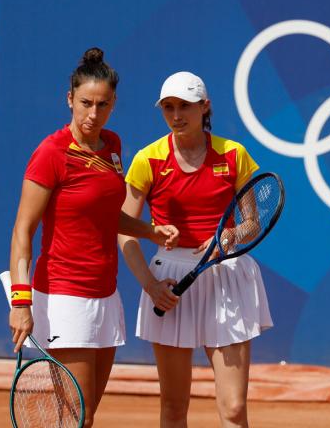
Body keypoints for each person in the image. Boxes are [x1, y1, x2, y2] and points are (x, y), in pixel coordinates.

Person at [8, 48, 179, 428]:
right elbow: (23, 231)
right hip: (65, 298)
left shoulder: (113, 147)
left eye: (102, 105)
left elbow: (105, 216)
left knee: (84, 418)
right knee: (76, 419)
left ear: (113, 103)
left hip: (106, 295)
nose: (93, 114)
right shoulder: (50, 154)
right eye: (85, 103)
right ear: (69, 99)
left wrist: (149, 230)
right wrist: (21, 301)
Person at [119, 71, 272, 428]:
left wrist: (229, 238)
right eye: (168, 107)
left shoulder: (234, 154)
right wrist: (151, 286)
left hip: (226, 277)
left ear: (205, 107)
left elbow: (252, 223)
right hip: (169, 281)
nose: (176, 115)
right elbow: (124, 229)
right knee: (174, 408)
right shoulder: (148, 159)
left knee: (234, 409)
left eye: (185, 106)